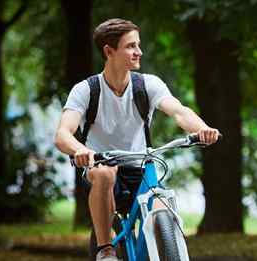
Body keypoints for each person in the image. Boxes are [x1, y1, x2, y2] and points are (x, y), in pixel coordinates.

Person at [54, 18, 219, 261]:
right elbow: (62, 134)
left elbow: (179, 111)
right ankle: (105, 249)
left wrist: (203, 128)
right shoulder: (86, 90)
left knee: (163, 206)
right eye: (131, 46)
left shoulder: (147, 85)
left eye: (138, 45)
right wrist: (81, 150)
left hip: (140, 165)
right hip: (101, 165)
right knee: (105, 173)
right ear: (109, 51)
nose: (138, 52)